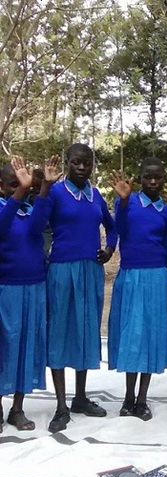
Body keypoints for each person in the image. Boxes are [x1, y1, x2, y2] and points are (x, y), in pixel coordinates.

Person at [31, 143, 117, 433]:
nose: (82, 168)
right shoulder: (55, 192)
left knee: (84, 331)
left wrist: (109, 249)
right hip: (61, 270)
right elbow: (36, 225)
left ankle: (80, 397)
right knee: (59, 332)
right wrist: (44, 187)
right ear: (68, 163)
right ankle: (60, 406)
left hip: (90, 272)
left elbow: (112, 225)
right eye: (76, 163)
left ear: (93, 166)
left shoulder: (95, 195)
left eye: (87, 163)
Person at [108, 159, 167, 421]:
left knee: (150, 336)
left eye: (157, 177)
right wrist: (123, 202)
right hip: (131, 275)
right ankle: (127, 397)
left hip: (157, 277)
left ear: (163, 180)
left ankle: (142, 399)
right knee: (132, 336)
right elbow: (121, 231)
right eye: (148, 177)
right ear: (140, 177)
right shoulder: (127, 202)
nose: (152, 181)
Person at [0, 156, 55, 432]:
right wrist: (20, 191)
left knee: (27, 347)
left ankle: (17, 408)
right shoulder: (4, 208)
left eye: (23, 185)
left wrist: (43, 187)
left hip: (35, 287)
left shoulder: (28, 209)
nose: (19, 188)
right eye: (13, 184)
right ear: (2, 187)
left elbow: (38, 227)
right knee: (4, 346)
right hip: (6, 289)